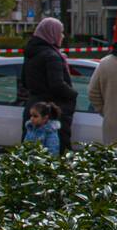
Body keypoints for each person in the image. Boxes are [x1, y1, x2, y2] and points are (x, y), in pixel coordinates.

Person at [22, 17, 77, 154]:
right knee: (56, 152)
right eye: (61, 32)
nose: (63, 36)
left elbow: (24, 81)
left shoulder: (31, 53)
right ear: (52, 33)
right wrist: (73, 94)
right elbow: (57, 85)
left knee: (32, 154)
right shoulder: (52, 56)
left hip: (33, 106)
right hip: (51, 111)